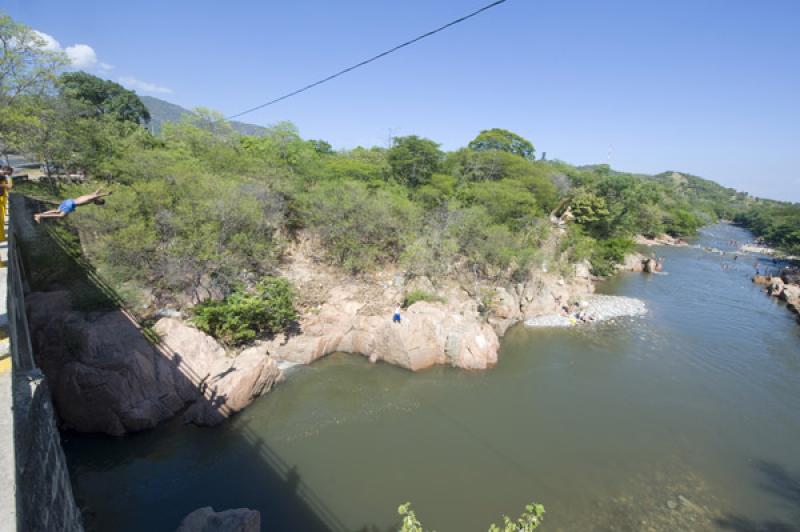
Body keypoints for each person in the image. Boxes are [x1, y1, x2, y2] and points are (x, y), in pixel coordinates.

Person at [33, 188, 111, 223]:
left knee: (57, 211)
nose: (97, 205)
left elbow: (96, 193)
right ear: (98, 201)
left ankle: (39, 215)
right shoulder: (92, 198)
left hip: (69, 201)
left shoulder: (90, 196)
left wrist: (100, 188)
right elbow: (97, 195)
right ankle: (40, 216)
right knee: (60, 215)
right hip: (71, 204)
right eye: (98, 204)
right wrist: (106, 194)